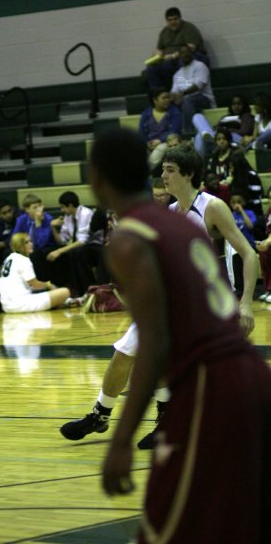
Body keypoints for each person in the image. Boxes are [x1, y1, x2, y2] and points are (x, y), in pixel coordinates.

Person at [78, 129, 271, 544]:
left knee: (164, 528)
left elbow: (156, 344)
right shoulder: (176, 221)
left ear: (98, 178)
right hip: (247, 373)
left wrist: (123, 439)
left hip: (210, 382)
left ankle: (105, 414)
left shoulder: (131, 240)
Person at [60, 145, 257, 449]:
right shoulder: (170, 211)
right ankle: (101, 414)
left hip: (204, 302)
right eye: (163, 169)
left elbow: (248, 253)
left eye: (170, 170)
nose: (163, 175)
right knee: (125, 353)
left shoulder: (212, 206)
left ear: (189, 174)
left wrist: (245, 303)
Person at [0, 233, 70, 313]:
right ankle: (71, 301)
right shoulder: (23, 260)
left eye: (30, 241)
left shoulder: (9, 258)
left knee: (48, 293)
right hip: (20, 305)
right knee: (64, 291)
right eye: (27, 242)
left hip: (6, 306)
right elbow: (34, 284)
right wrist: (48, 285)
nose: (31, 244)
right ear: (19, 246)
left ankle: (65, 303)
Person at [145, 8, 206, 91]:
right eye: (170, 20)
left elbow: (191, 47)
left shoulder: (189, 28)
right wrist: (157, 54)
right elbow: (159, 48)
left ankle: (185, 91)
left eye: (175, 19)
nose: (173, 22)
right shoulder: (164, 32)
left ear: (180, 18)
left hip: (188, 57)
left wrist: (173, 56)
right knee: (151, 68)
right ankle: (158, 95)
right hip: (169, 61)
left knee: (183, 62)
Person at [46, 191, 93, 288]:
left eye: (63, 207)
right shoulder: (68, 217)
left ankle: (85, 289)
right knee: (47, 251)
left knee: (74, 252)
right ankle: (58, 287)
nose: (62, 210)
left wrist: (59, 251)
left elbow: (82, 241)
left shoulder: (85, 213)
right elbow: (62, 241)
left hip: (92, 245)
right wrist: (53, 228)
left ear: (70, 205)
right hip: (79, 245)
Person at [192, 93, 254, 158]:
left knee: (200, 136)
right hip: (219, 138)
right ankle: (210, 135)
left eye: (239, 104)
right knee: (197, 117)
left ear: (244, 105)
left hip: (234, 139)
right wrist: (217, 129)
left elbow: (245, 131)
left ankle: (199, 160)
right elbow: (217, 127)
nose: (236, 106)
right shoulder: (226, 117)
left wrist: (227, 130)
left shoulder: (246, 116)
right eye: (233, 104)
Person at [12, 193, 59, 279]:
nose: (39, 210)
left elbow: (40, 244)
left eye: (40, 206)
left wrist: (38, 222)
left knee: (36, 254)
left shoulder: (48, 219)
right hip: (27, 246)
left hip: (47, 247)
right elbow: (15, 238)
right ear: (27, 209)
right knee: (9, 253)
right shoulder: (21, 219)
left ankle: (41, 282)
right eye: (35, 207)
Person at [170, 45, 215, 133]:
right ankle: (173, 134)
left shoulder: (200, 66)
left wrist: (182, 94)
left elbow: (199, 86)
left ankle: (187, 132)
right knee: (169, 104)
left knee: (187, 99)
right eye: (182, 52)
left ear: (191, 53)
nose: (185, 54)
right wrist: (173, 97)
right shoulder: (177, 74)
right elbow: (174, 91)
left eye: (187, 51)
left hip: (204, 99)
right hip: (185, 102)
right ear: (179, 55)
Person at [138, 90, 182, 172]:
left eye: (168, 97)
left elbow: (175, 131)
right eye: (164, 98)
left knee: (160, 149)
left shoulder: (174, 112)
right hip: (149, 143)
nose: (167, 100)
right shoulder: (146, 113)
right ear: (155, 100)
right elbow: (141, 132)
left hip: (167, 142)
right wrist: (147, 144)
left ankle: (143, 172)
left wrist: (160, 141)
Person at [256, 186, 271, 303]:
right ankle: (268, 290)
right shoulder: (269, 211)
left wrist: (268, 241)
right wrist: (264, 242)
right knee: (263, 252)